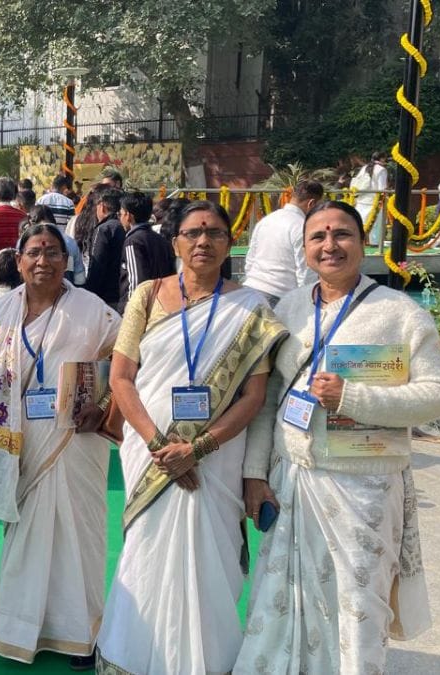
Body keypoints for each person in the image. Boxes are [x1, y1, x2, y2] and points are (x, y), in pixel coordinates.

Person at [235, 201, 440, 673]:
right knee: (284, 597)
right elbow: (269, 399)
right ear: (305, 248)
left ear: (363, 242)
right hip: (293, 478)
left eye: (342, 235)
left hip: (364, 485)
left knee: (358, 601)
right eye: (318, 237)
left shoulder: (399, 313)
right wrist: (255, 474)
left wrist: (353, 397)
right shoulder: (290, 308)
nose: (329, 245)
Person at [96, 201, 288, 675]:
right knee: (147, 548)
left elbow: (253, 396)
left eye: (216, 233)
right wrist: (161, 445)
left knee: (210, 556)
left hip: (216, 458)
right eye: (193, 232)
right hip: (150, 452)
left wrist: (198, 448)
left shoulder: (252, 309)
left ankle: (208, 660)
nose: (203, 241)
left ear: (230, 242)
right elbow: (121, 378)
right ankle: (134, 655)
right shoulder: (145, 295)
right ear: (175, 241)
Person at [0, 223, 121, 669]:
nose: (42, 260)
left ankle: (82, 633)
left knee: (80, 536)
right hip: (18, 439)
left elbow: (122, 359)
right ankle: (19, 629)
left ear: (66, 262)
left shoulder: (93, 309)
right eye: (33, 252)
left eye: (52, 252)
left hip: (76, 438)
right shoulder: (0, 309)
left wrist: (102, 403)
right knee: (25, 535)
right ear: (19, 259)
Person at [243, 179, 325, 306]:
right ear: (311, 204)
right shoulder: (302, 226)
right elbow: (305, 269)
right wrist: (306, 301)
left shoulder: (266, 220)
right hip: (279, 296)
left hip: (250, 290)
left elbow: (250, 259)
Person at [118, 191, 173, 311]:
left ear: (128, 216)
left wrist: (131, 310)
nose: (120, 218)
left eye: (120, 214)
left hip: (141, 308)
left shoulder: (132, 241)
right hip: (162, 304)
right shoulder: (159, 238)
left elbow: (135, 280)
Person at [80, 188, 125, 308]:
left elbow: (96, 265)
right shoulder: (126, 226)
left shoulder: (103, 229)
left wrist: (89, 294)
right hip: (124, 294)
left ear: (102, 206)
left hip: (105, 298)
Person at [26, 206, 85, 285]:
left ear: (31, 222)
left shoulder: (26, 242)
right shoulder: (70, 242)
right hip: (65, 292)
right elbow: (80, 279)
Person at [350, 152, 388, 246]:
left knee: (361, 222)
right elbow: (382, 188)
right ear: (382, 159)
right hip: (374, 201)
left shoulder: (364, 168)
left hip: (361, 199)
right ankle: (374, 243)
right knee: (375, 223)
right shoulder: (381, 170)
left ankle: (359, 241)